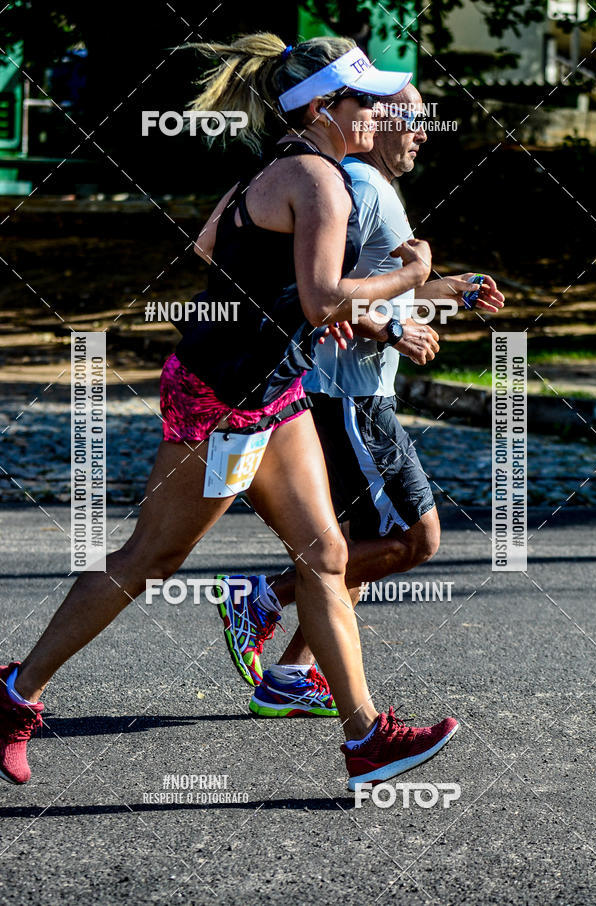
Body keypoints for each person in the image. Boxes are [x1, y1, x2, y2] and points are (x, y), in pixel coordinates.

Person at [0, 34, 457, 791]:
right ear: (322, 109)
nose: (377, 112)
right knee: (150, 559)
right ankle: (14, 696)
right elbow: (320, 296)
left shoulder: (283, 167)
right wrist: (407, 278)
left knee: (326, 556)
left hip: (272, 391)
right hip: (222, 399)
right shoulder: (321, 181)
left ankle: (366, 741)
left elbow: (215, 248)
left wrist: (294, 303)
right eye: (364, 100)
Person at [217, 82, 504, 721]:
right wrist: (394, 324)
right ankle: (262, 595)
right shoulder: (361, 188)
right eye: (411, 120)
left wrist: (449, 290)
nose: (423, 133)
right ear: (373, 120)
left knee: (350, 548)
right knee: (414, 539)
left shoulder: (370, 187)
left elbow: (376, 288)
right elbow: (326, 291)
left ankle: (293, 671)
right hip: (347, 397)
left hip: (348, 393)